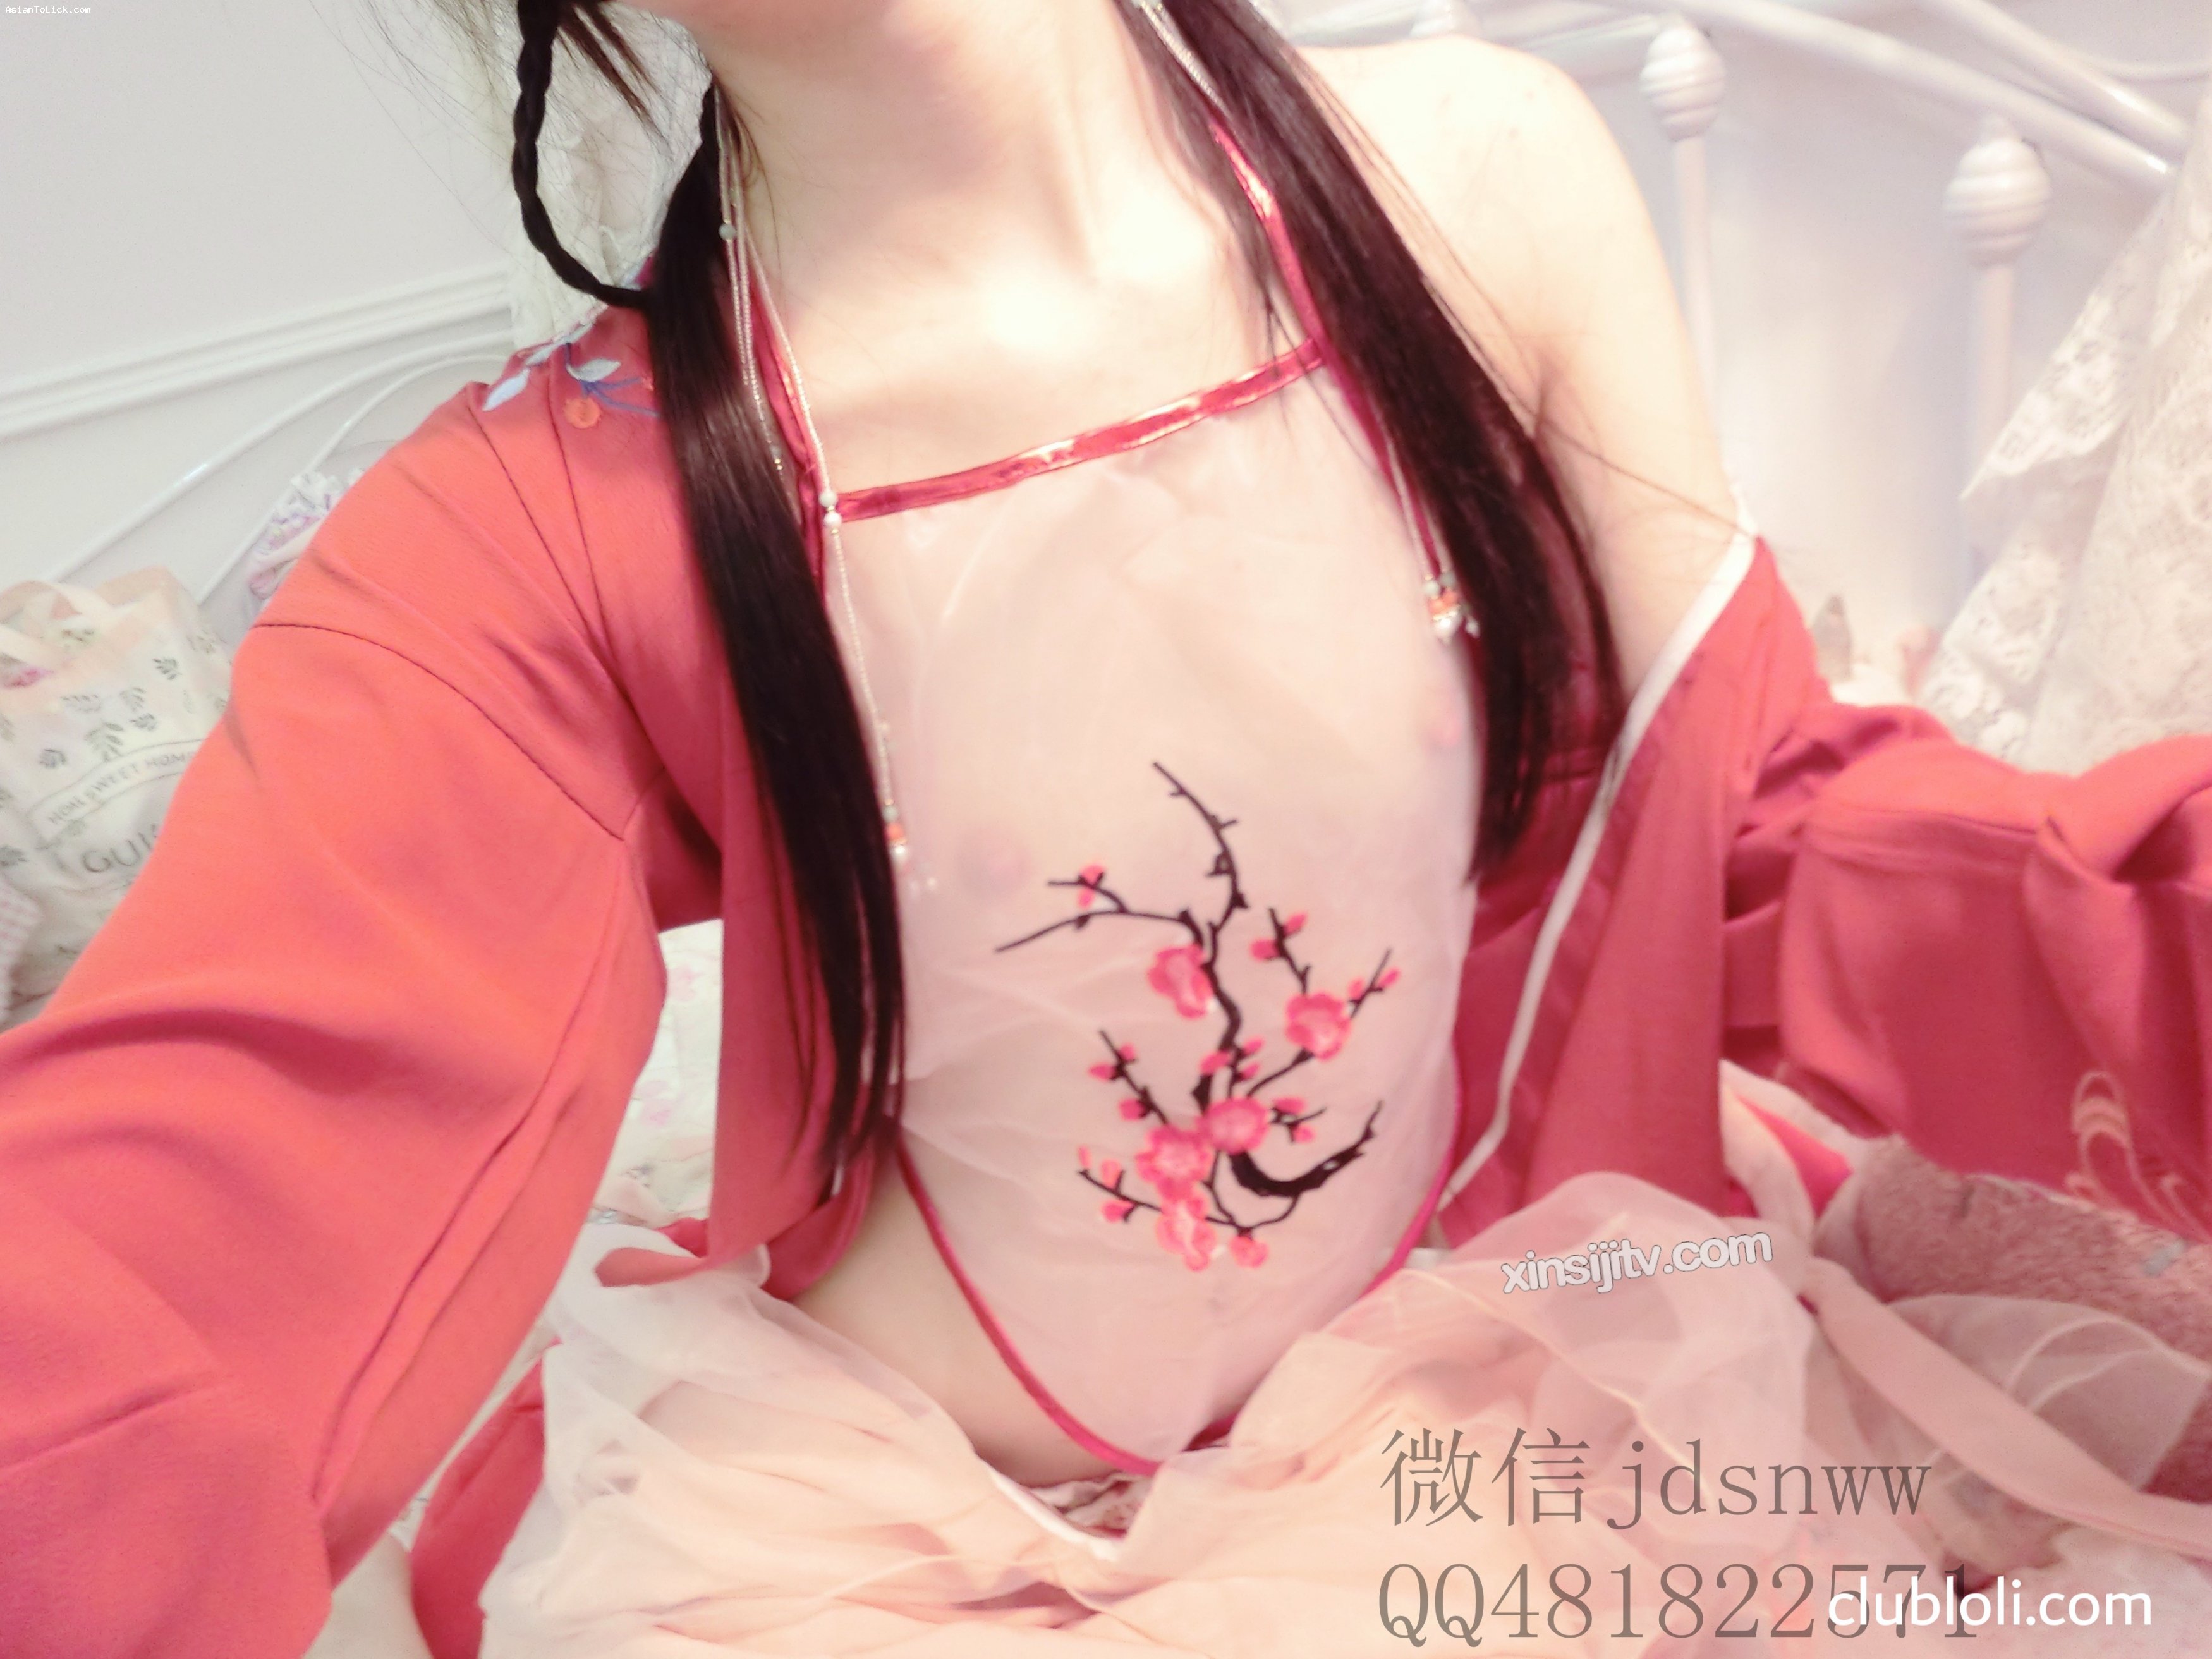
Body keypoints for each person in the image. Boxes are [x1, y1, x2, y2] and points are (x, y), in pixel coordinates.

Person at [5, 3, 2212, 1656]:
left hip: (1510, 1381)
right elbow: (212, 1202)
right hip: (895, 1554)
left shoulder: (1482, 185)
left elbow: (1737, 822)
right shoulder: (536, 522)